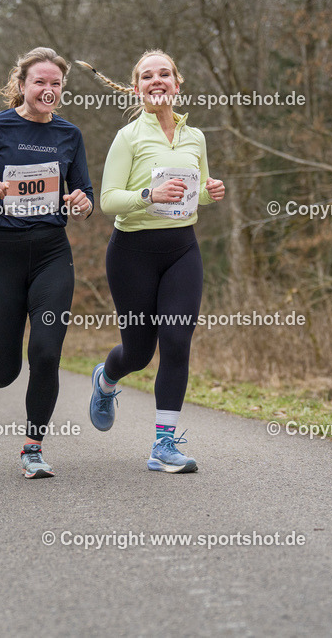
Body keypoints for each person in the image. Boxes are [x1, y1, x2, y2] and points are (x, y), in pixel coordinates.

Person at [79, 50, 224, 474]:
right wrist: (148, 195)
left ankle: (164, 445)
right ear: (137, 87)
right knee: (140, 353)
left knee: (177, 342)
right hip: (132, 252)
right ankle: (106, 378)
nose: (156, 80)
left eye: (165, 74)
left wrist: (209, 191)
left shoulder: (194, 137)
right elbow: (108, 201)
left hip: (183, 250)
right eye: (147, 76)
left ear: (177, 84)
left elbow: (193, 194)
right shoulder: (128, 138)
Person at [0, 47, 93, 478]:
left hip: (51, 251)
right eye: (40, 82)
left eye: (55, 84)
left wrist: (83, 202)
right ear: (22, 85)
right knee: (7, 368)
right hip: (1, 253)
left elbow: (84, 195)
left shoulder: (70, 135)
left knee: (47, 353)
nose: (48, 90)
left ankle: (33, 448)